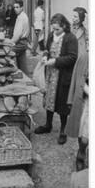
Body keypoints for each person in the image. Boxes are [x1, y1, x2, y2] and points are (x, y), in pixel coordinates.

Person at [34, 13, 78, 144]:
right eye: (53, 29)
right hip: (50, 74)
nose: (55, 31)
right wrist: (45, 56)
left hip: (63, 75)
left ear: (64, 26)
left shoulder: (71, 38)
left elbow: (72, 57)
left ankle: (63, 130)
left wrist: (55, 61)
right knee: (48, 98)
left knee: (62, 102)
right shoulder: (51, 35)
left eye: (57, 29)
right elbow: (47, 49)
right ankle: (48, 125)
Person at [11, 0, 30, 74]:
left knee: (8, 52)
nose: (15, 9)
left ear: (22, 8)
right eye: (14, 7)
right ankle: (25, 78)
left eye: (17, 7)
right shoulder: (22, 16)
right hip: (23, 41)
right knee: (22, 64)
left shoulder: (21, 17)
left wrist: (9, 43)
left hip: (20, 42)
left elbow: (17, 35)